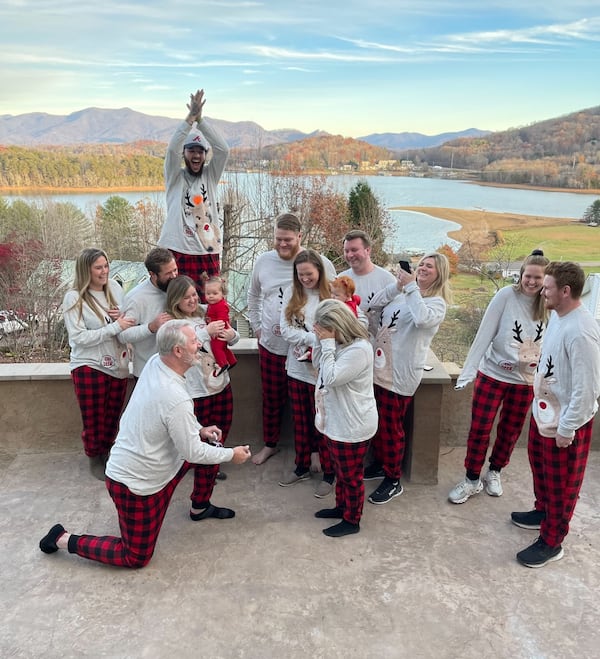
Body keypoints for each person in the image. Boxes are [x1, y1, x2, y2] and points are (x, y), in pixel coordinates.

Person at [39, 320, 251, 569]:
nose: (200, 344)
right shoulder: (174, 397)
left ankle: (199, 507)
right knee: (136, 557)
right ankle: (63, 539)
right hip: (135, 485)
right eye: (195, 341)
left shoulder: (156, 363)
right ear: (178, 352)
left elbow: (176, 423)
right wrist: (231, 456)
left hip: (163, 469)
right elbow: (191, 449)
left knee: (211, 444)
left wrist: (200, 430)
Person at [513, 262, 600, 568]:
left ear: (565, 291)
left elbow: (588, 388)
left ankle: (552, 541)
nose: (542, 291)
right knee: (543, 471)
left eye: (547, 287)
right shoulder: (558, 316)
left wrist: (568, 427)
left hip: (565, 423)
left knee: (563, 484)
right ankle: (543, 513)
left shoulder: (581, 331)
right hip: (546, 414)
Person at [448, 250, 549, 504]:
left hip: (524, 380)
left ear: (545, 279)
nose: (532, 282)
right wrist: (468, 370)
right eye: (528, 276)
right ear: (521, 274)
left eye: (538, 277)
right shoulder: (506, 296)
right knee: (480, 427)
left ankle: (494, 471)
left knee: (510, 430)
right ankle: (471, 478)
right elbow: (485, 332)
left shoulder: (548, 304)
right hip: (493, 374)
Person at [247, 212, 336, 465]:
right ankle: (270, 444)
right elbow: (253, 296)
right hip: (272, 345)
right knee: (272, 398)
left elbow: (336, 300)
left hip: (308, 350)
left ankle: (317, 453)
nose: (282, 244)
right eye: (278, 239)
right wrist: (256, 326)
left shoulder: (320, 263)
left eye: (288, 240)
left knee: (312, 402)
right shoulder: (263, 261)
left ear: (300, 236)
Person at [364, 252, 451, 503]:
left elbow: (421, 319)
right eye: (421, 264)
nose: (423, 268)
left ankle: (393, 479)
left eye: (429, 267)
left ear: (439, 274)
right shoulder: (404, 294)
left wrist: (411, 286)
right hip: (380, 367)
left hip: (400, 374)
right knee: (379, 423)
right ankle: (381, 464)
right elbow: (374, 304)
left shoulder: (436, 304)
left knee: (392, 428)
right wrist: (398, 284)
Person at [62, 248, 136, 480]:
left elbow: (126, 320)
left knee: (113, 415)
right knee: (94, 416)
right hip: (89, 364)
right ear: (87, 270)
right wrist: (116, 326)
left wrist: (121, 320)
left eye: (106, 266)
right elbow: (78, 337)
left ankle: (109, 453)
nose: (104, 271)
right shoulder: (74, 297)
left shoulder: (115, 287)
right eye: (98, 267)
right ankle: (95, 456)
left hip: (118, 364)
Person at [312, 300, 378, 537]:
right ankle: (341, 508)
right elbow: (318, 365)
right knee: (341, 472)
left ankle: (352, 520)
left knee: (351, 477)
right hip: (337, 421)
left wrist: (327, 344)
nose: (317, 331)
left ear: (337, 326)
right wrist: (321, 343)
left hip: (352, 425)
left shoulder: (359, 349)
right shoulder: (339, 344)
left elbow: (330, 377)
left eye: (321, 328)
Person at [167, 274, 239, 490]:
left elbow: (231, 336)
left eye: (193, 295)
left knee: (222, 428)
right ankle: (199, 471)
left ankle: (212, 467)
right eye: (185, 297)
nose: (192, 300)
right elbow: (184, 343)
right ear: (175, 300)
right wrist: (206, 332)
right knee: (198, 435)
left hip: (220, 383)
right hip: (196, 391)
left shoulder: (205, 314)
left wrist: (231, 334)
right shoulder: (172, 322)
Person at [159, 88, 230, 302]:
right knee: (177, 303)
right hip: (177, 249)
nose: (196, 155)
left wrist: (201, 119)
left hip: (207, 249)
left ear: (205, 155)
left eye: (200, 151)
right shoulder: (175, 178)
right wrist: (189, 120)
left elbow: (224, 150)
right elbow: (171, 150)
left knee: (210, 303)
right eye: (191, 150)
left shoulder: (210, 176)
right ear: (185, 154)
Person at [279, 249, 335, 497]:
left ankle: (329, 472)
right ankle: (301, 465)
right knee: (301, 421)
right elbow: (285, 330)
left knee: (323, 423)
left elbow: (337, 331)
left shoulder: (330, 295)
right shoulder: (292, 293)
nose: (304, 279)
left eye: (309, 274)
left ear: (319, 272)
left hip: (321, 373)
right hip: (296, 369)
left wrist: (315, 341)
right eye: (300, 274)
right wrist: (314, 338)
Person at [119, 247, 179, 378]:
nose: (174, 276)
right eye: (168, 273)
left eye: (175, 270)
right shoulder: (136, 298)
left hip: (177, 371)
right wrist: (151, 327)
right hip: (148, 373)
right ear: (152, 274)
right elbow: (123, 336)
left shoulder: (178, 288)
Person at [339, 230, 395, 337]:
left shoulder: (388, 280)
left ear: (368, 250)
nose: (350, 255)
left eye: (354, 250)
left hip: (376, 345)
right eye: (346, 251)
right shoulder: (340, 279)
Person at [203, 275, 237, 375]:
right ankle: (232, 360)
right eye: (208, 293)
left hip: (219, 331)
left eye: (215, 293)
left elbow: (222, 319)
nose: (211, 296)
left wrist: (216, 331)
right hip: (218, 330)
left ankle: (222, 364)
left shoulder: (221, 305)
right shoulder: (211, 305)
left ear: (223, 294)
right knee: (223, 348)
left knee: (216, 347)